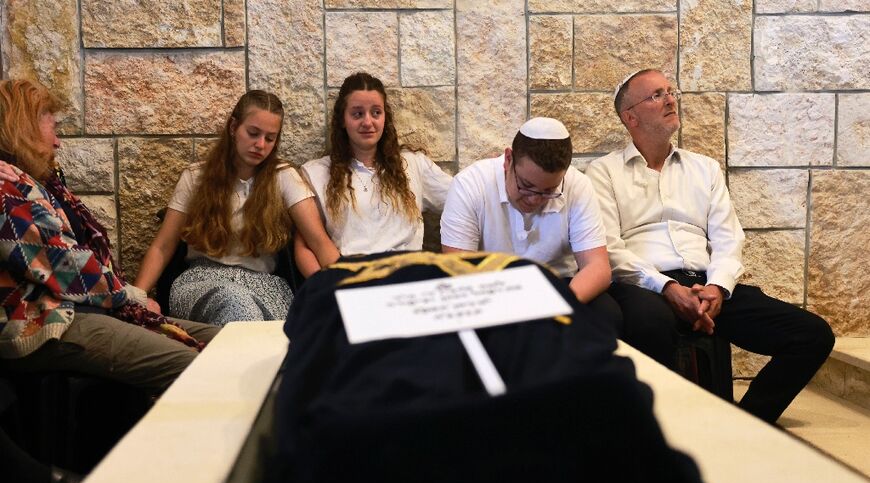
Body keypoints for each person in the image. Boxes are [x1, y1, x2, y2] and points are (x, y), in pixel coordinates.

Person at [585, 68, 834, 424]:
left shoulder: (705, 169)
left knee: (812, 335)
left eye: (671, 91)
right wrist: (667, 287)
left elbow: (728, 237)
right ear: (631, 117)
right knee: (648, 323)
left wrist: (717, 288)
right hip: (647, 287)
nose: (671, 99)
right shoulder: (603, 172)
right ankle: (664, 429)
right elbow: (609, 249)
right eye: (656, 95)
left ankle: (747, 424)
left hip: (705, 284)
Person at [0, 78, 218, 391]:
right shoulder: (7, 191)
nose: (58, 142)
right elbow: (67, 270)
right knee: (198, 367)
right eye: (53, 128)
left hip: (77, 307)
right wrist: (134, 297)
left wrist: (129, 298)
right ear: (25, 128)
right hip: (42, 322)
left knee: (224, 342)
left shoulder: (42, 183)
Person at [135, 90, 339, 325]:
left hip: (266, 285)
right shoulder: (196, 177)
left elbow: (319, 242)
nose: (260, 145)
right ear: (233, 127)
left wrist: (353, 289)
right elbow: (162, 246)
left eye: (270, 138)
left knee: (285, 331)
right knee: (235, 301)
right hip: (201, 281)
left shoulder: (283, 177)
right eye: (253, 133)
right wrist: (136, 299)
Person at [440, 117, 621, 333]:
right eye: (526, 186)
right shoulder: (469, 185)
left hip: (559, 286)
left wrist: (559, 306)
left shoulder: (577, 185)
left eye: (548, 191)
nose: (534, 200)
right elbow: (458, 270)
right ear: (508, 160)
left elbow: (597, 267)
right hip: (490, 291)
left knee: (607, 314)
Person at [294, 72, 452, 275]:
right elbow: (305, 245)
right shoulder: (316, 173)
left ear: (385, 116)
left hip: (407, 280)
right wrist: (325, 291)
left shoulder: (413, 165)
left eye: (376, 113)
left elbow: (464, 200)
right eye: (357, 114)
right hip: (351, 281)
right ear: (343, 119)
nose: (368, 122)